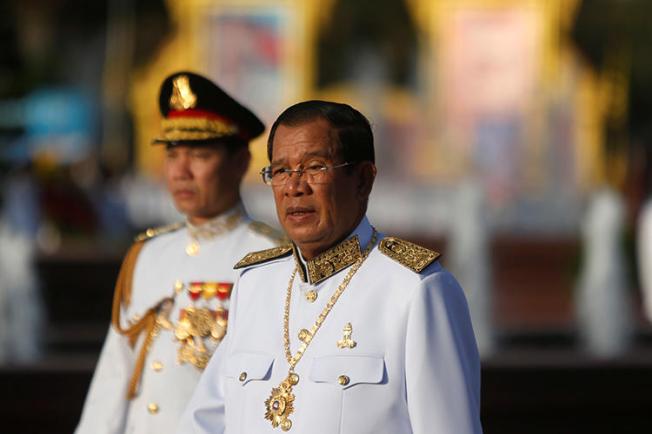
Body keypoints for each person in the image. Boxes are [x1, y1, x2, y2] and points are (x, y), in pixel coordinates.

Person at [177, 100, 483, 433]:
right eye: (280, 171)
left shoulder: (415, 290)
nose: (295, 187)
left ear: (363, 180)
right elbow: (204, 422)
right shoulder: (255, 284)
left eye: (315, 167)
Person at [76, 71, 284, 434]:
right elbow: (114, 375)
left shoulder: (271, 259)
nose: (181, 171)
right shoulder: (147, 254)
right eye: (173, 154)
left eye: (200, 155)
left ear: (240, 163)